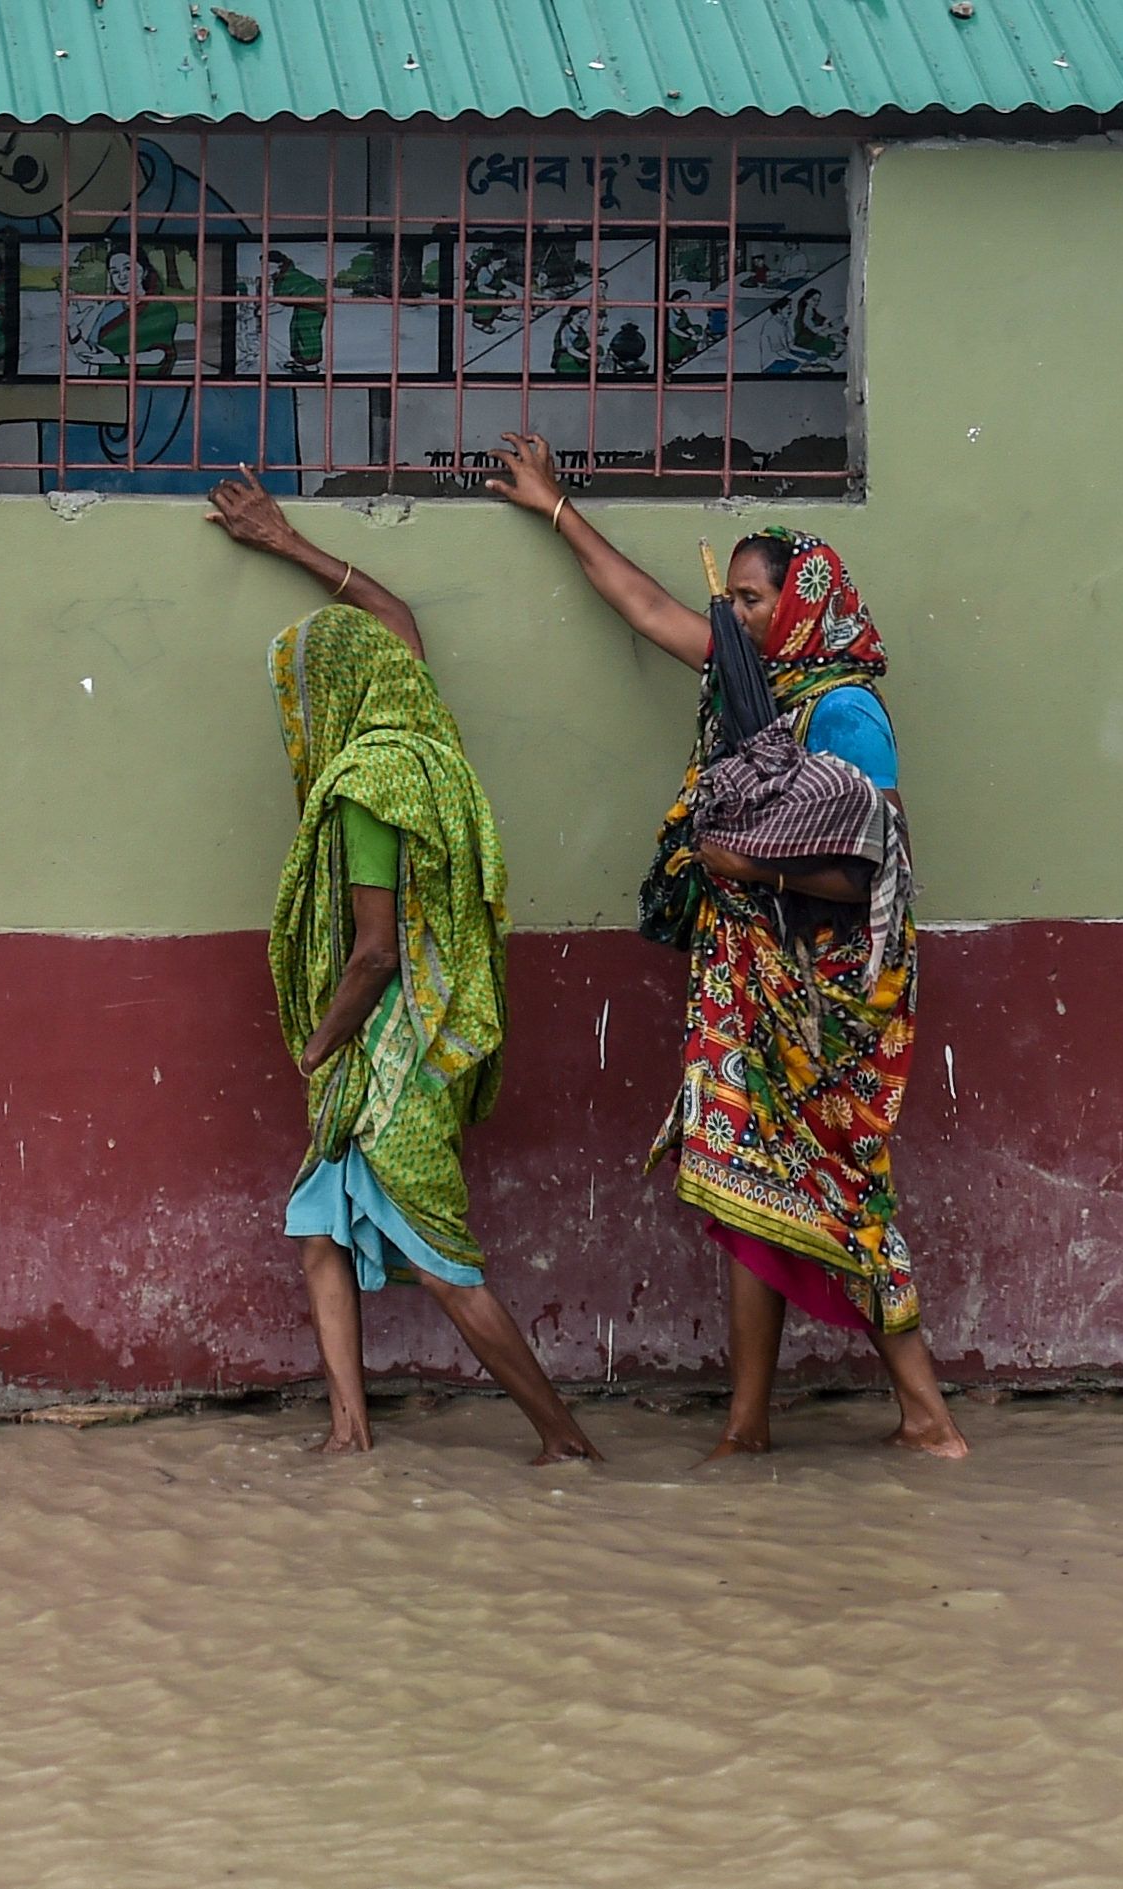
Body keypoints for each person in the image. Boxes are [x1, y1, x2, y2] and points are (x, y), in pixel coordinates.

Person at [483, 433, 970, 1463]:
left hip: (822, 1002)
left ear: (799, 606)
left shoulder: (842, 713)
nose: (730, 614)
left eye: (748, 599)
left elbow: (865, 869)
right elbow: (647, 605)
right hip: (745, 983)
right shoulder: (753, 688)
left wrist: (752, 871)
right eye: (735, 599)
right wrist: (553, 507)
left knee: (842, 1187)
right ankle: (744, 1425)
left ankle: (925, 1413)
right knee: (747, 1186)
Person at [204, 470, 603, 1466]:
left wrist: (317, 1041)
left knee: (443, 1265)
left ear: (329, 697)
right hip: (407, 1036)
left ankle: (562, 1438)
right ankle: (347, 1431)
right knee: (317, 1235)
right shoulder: (416, 727)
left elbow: (374, 952)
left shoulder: (362, 788)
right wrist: (285, 541)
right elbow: (392, 613)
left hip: (388, 1052)